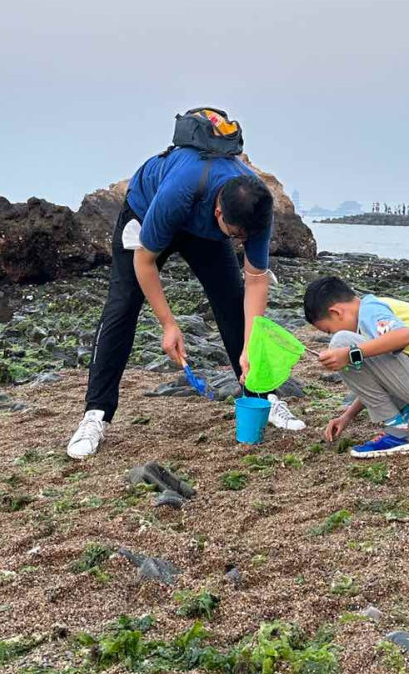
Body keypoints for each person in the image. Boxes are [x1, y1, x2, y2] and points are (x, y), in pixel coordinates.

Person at [67, 139, 304, 459]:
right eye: (235, 235)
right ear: (220, 211)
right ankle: (95, 415)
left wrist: (249, 345)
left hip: (205, 230)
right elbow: (144, 261)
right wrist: (168, 324)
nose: (241, 242)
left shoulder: (256, 207)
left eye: (243, 238)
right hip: (146, 210)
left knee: (233, 303)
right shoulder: (177, 193)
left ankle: (261, 395)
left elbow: (257, 280)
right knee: (122, 306)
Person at [304, 276, 409, 458]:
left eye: (329, 330)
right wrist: (347, 416)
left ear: (336, 312)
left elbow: (405, 336)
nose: (332, 333)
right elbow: (384, 376)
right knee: (361, 351)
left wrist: (348, 353)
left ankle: (401, 433)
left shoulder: (370, 311)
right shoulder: (375, 309)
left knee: (341, 343)